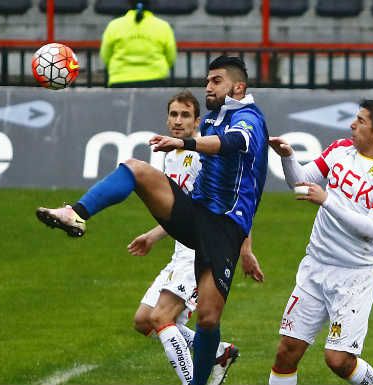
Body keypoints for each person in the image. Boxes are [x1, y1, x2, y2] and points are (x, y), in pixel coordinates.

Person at [36, 56, 267, 385]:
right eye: (207, 81)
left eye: (216, 81)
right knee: (135, 169)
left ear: (238, 86)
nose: (208, 87)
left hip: (223, 230)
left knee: (207, 320)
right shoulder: (217, 120)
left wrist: (245, 248)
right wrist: (157, 232)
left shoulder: (248, 118)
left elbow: (236, 144)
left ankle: (204, 374)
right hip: (197, 219)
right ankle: (76, 213)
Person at [267, 100, 373, 385]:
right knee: (287, 352)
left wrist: (328, 200)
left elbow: (372, 228)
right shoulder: (340, 150)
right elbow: (302, 183)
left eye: (360, 121)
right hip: (315, 267)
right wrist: (288, 157)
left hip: (354, 276)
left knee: (339, 360)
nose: (352, 125)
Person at [128, 90, 263, 385]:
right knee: (143, 320)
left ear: (197, 120)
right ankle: (218, 352)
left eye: (185, 115)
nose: (178, 121)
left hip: (201, 252)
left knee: (160, 318)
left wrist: (245, 250)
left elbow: (233, 204)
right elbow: (184, 212)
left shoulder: (205, 154)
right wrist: (153, 236)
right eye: (173, 115)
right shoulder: (172, 155)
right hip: (181, 249)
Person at [100, 0, 177, 88]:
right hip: (156, 80)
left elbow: (105, 56)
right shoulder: (163, 26)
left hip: (120, 80)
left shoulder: (114, 26)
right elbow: (171, 57)